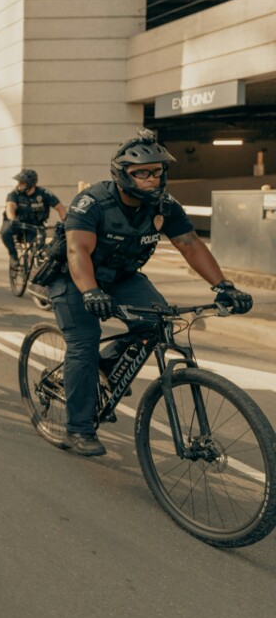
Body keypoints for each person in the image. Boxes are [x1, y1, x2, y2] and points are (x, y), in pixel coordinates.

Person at [48, 130, 251, 457]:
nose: (151, 179)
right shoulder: (92, 203)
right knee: (84, 342)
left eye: (156, 172)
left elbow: (190, 245)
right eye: (141, 172)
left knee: (158, 324)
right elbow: (77, 251)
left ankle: (105, 367)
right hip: (75, 279)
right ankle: (78, 427)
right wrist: (90, 292)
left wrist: (223, 286)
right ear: (122, 174)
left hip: (124, 277)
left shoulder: (164, 206)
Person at [0, 169, 66, 264]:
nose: (19, 184)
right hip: (17, 223)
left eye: (22, 182)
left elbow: (60, 208)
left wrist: (66, 222)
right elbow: (10, 207)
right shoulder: (14, 194)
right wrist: (12, 218)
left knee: (38, 246)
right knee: (5, 232)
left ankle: (33, 263)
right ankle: (13, 256)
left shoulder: (44, 193)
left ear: (30, 184)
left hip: (35, 225)